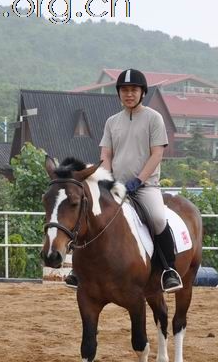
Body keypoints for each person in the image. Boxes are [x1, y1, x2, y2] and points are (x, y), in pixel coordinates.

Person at [65, 68, 183, 292]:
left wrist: (139, 180)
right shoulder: (112, 122)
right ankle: (78, 271)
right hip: (116, 186)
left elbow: (157, 153)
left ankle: (169, 269)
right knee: (91, 216)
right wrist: (107, 180)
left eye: (134, 90)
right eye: (125, 90)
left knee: (157, 218)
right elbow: (106, 154)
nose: (129, 94)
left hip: (145, 186)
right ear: (119, 93)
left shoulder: (153, 118)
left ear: (142, 92)